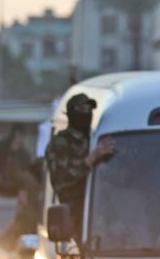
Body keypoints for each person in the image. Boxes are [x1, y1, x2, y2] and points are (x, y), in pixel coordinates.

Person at [45, 93, 114, 233]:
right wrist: (91, 159)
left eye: (89, 109)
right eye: (82, 109)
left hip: (101, 212)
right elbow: (61, 180)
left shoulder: (94, 139)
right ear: (71, 113)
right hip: (75, 218)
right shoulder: (61, 142)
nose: (86, 113)